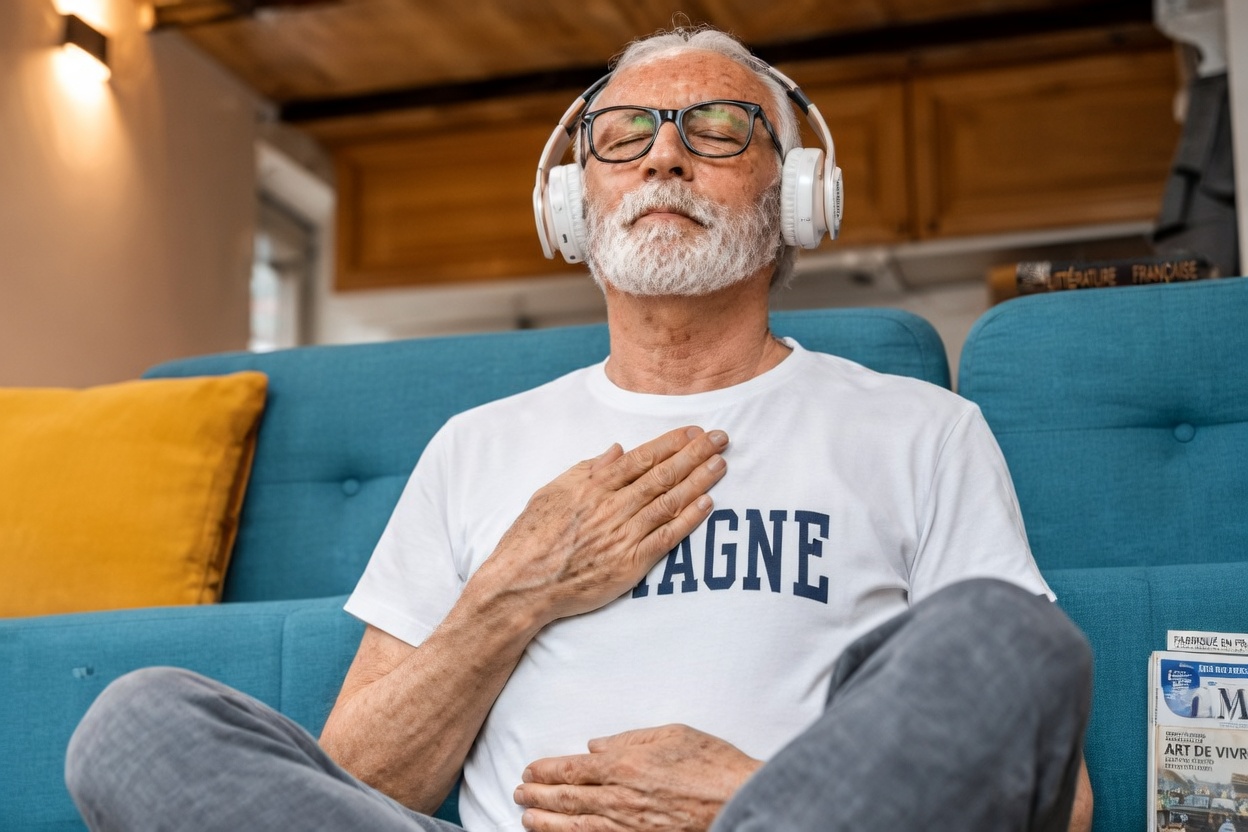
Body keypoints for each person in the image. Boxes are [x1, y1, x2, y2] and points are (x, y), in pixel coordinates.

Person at [65, 25, 1094, 832]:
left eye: (718, 130)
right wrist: (513, 596)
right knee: (137, 723)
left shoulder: (921, 430)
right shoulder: (478, 448)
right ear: (573, 200)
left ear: (797, 195)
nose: (665, 160)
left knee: (1011, 635)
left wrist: (757, 797)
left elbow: (1061, 797)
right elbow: (357, 782)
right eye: (624, 136)